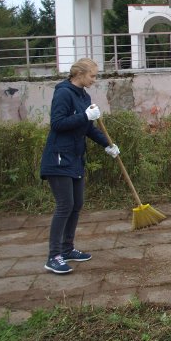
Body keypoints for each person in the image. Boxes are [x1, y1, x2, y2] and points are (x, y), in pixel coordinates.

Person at [40, 58, 120, 274]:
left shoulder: (84, 96)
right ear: (80, 74)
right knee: (65, 205)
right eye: (93, 75)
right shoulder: (64, 93)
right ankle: (53, 256)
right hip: (58, 158)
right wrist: (83, 115)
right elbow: (57, 123)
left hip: (75, 157)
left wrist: (108, 144)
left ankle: (66, 249)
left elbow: (88, 128)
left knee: (77, 204)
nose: (95, 79)